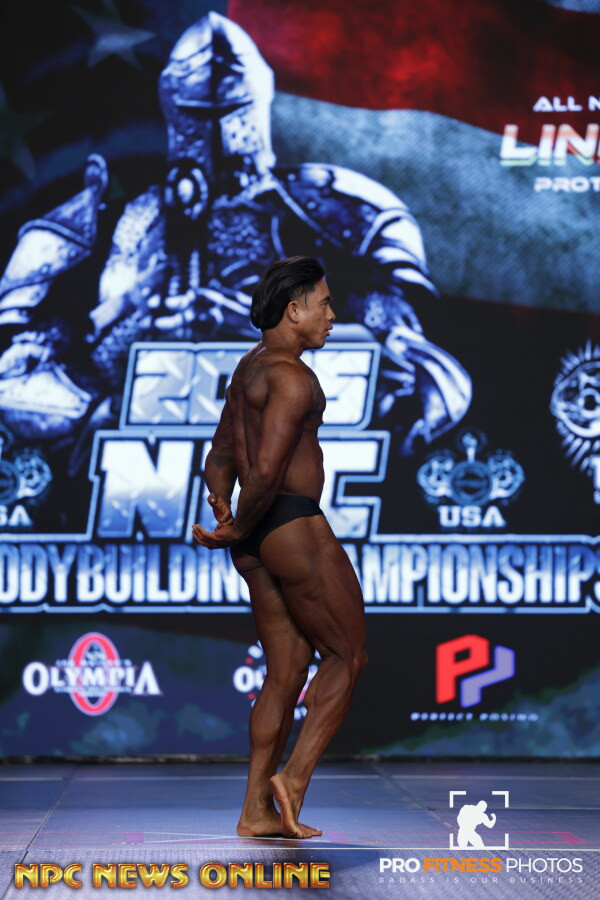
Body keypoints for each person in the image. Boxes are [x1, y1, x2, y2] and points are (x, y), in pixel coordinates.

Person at [192, 256, 367, 839]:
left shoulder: (248, 369)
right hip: (289, 523)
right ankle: (290, 782)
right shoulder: (294, 377)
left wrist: (225, 509)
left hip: (258, 539)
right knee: (346, 657)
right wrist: (236, 525)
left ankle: (255, 812)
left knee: (285, 672)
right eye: (325, 304)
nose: (332, 317)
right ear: (294, 310)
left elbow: (220, 454)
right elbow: (266, 473)